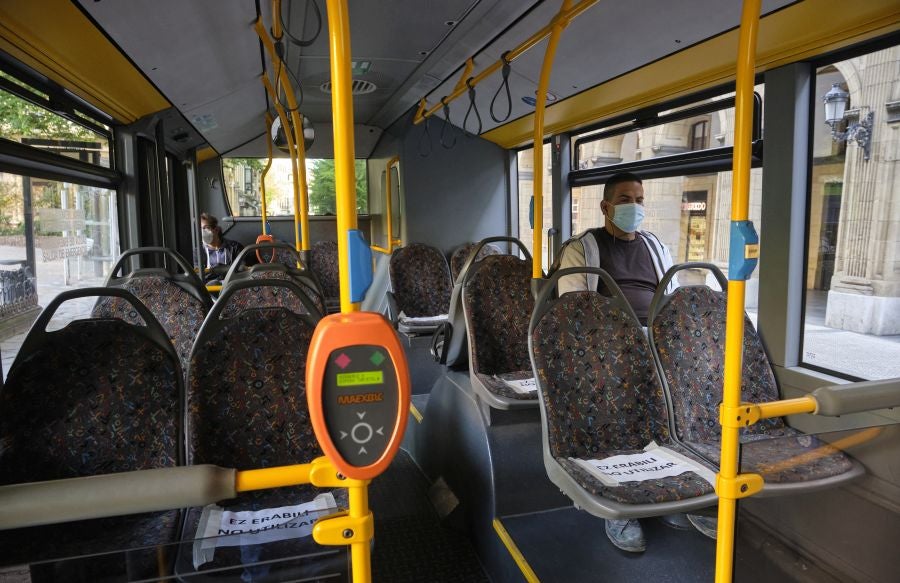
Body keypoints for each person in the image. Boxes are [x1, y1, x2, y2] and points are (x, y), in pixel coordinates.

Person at [557, 171, 717, 552]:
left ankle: (668, 490)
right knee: (618, 407)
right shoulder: (582, 249)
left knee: (684, 402)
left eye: (640, 199)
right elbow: (574, 309)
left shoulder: (655, 247)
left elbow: (672, 297)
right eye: (627, 199)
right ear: (606, 207)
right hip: (603, 345)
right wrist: (622, 340)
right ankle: (618, 505)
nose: (636, 207)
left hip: (656, 339)